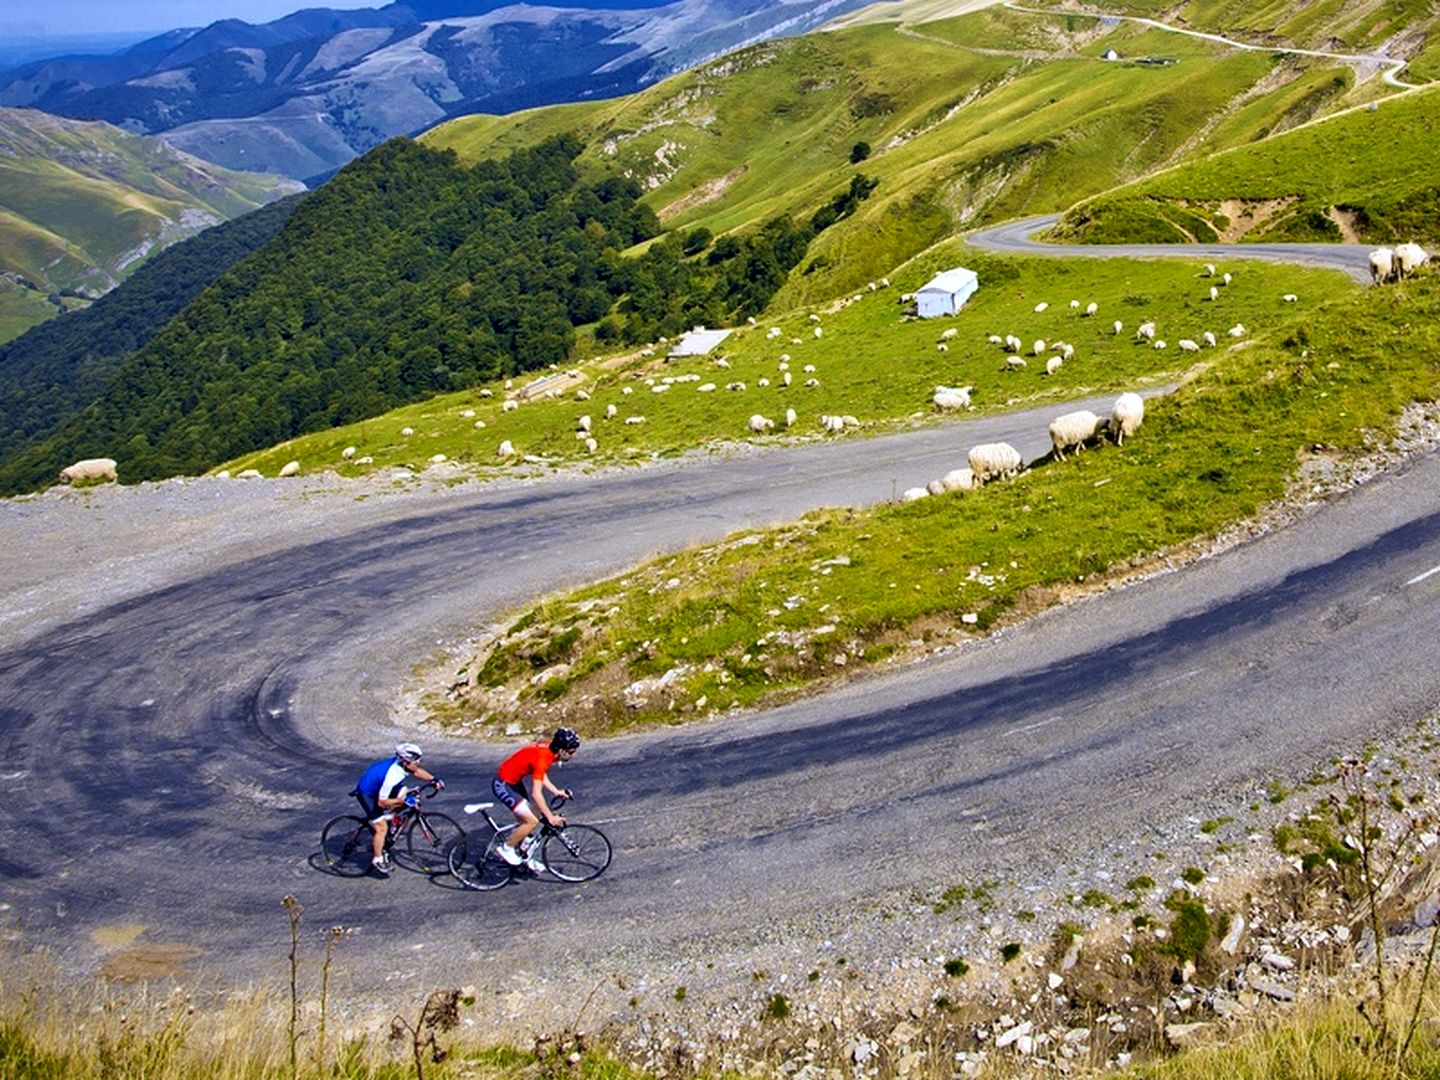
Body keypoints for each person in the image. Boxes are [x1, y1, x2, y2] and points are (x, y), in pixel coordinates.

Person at [491, 727, 580, 873]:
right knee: (531, 821)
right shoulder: (543, 758)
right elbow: (536, 794)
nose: (573, 755)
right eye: (571, 752)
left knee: (536, 814)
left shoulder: (549, 751)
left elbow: (541, 774)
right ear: (562, 750)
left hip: (513, 782)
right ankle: (506, 848)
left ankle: (525, 858)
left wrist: (556, 791)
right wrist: (550, 817)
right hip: (503, 784)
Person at [354, 742, 444, 875]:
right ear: (405, 762)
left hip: (379, 786)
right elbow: (382, 803)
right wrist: (402, 801)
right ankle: (377, 859)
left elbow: (417, 771)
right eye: (415, 761)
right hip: (368, 793)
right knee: (381, 827)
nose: (418, 763)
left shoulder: (404, 765)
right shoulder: (392, 776)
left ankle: (390, 817)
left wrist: (433, 780)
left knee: (404, 791)